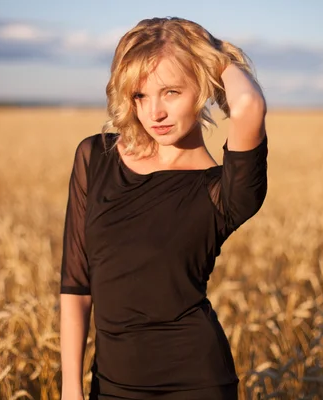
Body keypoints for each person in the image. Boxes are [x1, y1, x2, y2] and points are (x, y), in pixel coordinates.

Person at [59, 16, 268, 400]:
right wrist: (70, 389)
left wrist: (212, 55)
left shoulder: (223, 192)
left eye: (171, 92)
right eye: (140, 95)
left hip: (196, 383)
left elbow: (249, 104)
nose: (154, 112)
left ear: (204, 87)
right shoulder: (95, 157)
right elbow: (76, 284)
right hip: (110, 386)